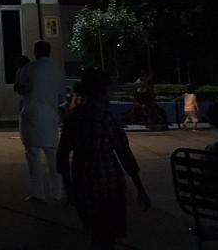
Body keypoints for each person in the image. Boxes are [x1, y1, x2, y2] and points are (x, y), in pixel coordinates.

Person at [57, 68, 151, 250]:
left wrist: (68, 185)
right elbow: (124, 154)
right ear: (101, 92)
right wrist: (139, 187)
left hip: (81, 179)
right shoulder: (106, 118)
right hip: (108, 182)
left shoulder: (75, 117)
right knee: (107, 235)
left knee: (95, 232)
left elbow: (62, 154)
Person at [18, 40, 65, 203]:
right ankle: (57, 193)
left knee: (33, 156)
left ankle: (38, 193)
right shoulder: (56, 69)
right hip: (51, 115)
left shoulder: (31, 67)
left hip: (32, 114)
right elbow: (60, 94)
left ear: (36, 51)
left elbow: (18, 87)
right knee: (53, 157)